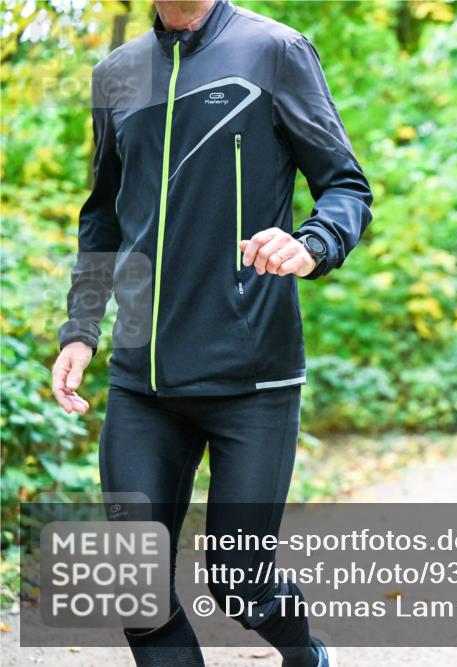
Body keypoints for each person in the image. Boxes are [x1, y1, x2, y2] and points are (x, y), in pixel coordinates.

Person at [49, 1, 373, 665]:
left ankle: (306, 654)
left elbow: (345, 186)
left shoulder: (273, 51)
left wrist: (313, 242)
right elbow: (103, 220)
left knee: (240, 580)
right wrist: (82, 328)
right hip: (142, 380)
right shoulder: (116, 74)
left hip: (251, 376)